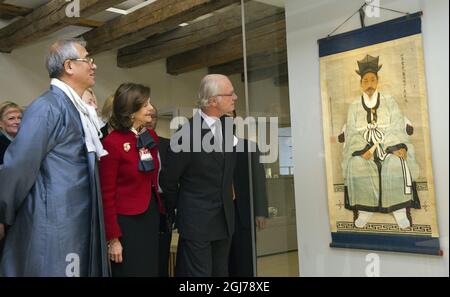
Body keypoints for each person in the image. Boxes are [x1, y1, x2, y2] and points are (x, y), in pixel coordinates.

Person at [0, 39, 109, 277]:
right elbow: (19, 165)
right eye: (87, 59)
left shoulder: (76, 108)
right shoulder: (47, 107)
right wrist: (3, 212)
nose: (94, 66)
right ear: (69, 66)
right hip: (54, 223)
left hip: (78, 220)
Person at [160, 74, 237, 277]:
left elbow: (224, 169)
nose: (235, 97)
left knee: (221, 272)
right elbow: (168, 180)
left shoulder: (229, 127)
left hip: (224, 219)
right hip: (197, 221)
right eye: (230, 94)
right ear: (212, 101)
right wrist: (180, 210)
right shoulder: (186, 135)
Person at [342, 54, 420, 229]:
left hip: (388, 145)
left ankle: (399, 211)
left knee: (395, 162)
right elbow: (353, 132)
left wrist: (395, 147)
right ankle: (365, 210)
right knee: (357, 164)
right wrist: (362, 151)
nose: (369, 83)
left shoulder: (389, 101)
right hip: (364, 149)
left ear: (377, 81)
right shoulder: (354, 106)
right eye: (365, 80)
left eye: (372, 79)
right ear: (361, 83)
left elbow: (397, 124)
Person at [100, 83, 164, 277]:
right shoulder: (112, 143)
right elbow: (106, 194)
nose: (151, 109)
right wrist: (113, 239)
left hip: (150, 215)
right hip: (126, 222)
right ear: (130, 111)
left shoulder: (150, 136)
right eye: (145, 105)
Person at [228, 112, 268, 277]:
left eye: (230, 117)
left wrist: (260, 211)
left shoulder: (249, 147)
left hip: (244, 212)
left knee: (245, 261)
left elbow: (259, 180)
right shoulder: (208, 147)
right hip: (219, 213)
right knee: (224, 262)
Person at [147, 105, 173, 277]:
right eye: (147, 115)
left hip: (164, 204)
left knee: (162, 256)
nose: (150, 120)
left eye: (154, 117)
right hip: (143, 204)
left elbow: (172, 178)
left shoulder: (167, 145)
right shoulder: (132, 144)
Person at [0, 101, 23, 262]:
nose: (17, 121)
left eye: (19, 118)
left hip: (18, 211)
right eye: (11, 118)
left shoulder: (24, 143)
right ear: (0, 123)